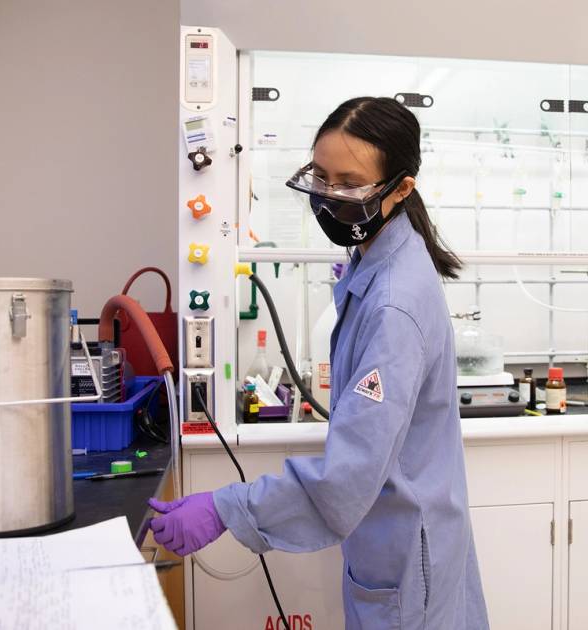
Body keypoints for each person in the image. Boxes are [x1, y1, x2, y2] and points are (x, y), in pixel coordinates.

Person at [149, 96, 489, 629]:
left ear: (401, 189)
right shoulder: (377, 258)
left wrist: (225, 509)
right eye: (321, 176)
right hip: (401, 540)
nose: (329, 197)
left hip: (405, 553)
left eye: (350, 184)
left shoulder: (394, 302)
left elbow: (348, 476)